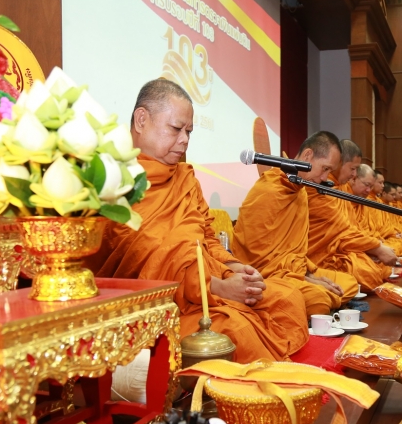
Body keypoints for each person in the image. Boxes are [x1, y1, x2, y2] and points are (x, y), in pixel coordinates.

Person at [91, 79, 309, 363]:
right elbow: (148, 256)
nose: (184, 140)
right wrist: (218, 288)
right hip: (155, 307)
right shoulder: (113, 180)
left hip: (208, 286)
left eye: (189, 132)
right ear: (141, 120)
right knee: (236, 330)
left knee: (288, 299)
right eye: (176, 128)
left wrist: (236, 269)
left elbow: (207, 237)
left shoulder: (184, 178)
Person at [232, 132, 359, 316]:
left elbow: (295, 251)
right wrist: (308, 281)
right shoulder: (269, 191)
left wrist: (311, 275)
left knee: (349, 283)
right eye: (324, 169)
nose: (325, 178)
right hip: (267, 278)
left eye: (329, 171)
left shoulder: (301, 191)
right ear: (307, 156)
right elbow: (258, 262)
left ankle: (311, 305)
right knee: (318, 299)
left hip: (295, 274)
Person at [306, 140, 398, 291]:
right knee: (367, 276)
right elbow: (344, 232)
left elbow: (351, 228)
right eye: (353, 169)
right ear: (339, 162)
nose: (354, 174)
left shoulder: (340, 189)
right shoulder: (320, 188)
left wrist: (374, 245)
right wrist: (376, 247)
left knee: (376, 270)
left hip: (342, 250)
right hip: (320, 258)